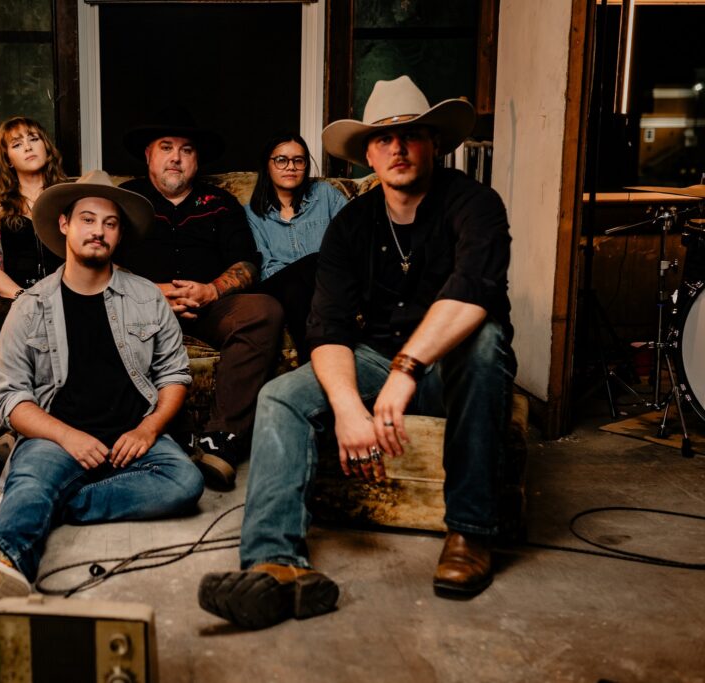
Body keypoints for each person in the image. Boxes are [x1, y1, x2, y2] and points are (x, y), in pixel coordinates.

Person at [198, 75, 517, 629]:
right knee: (281, 396)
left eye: (412, 135)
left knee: (486, 343)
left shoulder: (475, 203)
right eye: (383, 138)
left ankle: (470, 533)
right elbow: (328, 328)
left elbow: (475, 295)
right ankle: (275, 564)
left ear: (435, 143)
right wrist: (348, 408)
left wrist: (406, 371)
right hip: (377, 357)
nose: (397, 148)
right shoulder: (352, 224)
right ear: (368, 152)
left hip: (453, 363)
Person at [0, 171, 204, 599]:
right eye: (88, 219)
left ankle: (45, 507)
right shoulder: (30, 307)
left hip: (131, 433)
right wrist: (68, 436)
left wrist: (148, 428)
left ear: (119, 234)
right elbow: (10, 400)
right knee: (31, 478)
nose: (98, 232)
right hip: (56, 436)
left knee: (185, 483)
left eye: (110, 223)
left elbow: (174, 374)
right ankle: (5, 556)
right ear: (65, 225)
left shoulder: (146, 297)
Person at [117, 105, 284, 490]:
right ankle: (166, 434)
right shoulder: (125, 197)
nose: (176, 157)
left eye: (187, 149)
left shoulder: (220, 202)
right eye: (166, 147)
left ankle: (220, 439)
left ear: (197, 159)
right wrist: (153, 292)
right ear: (149, 155)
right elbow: (100, 262)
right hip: (139, 305)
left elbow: (247, 263)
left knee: (264, 309)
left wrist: (212, 289)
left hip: (208, 305)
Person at [0, 116, 66, 483]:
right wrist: (27, 300)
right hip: (3, 296)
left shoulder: (69, 195)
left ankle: (19, 436)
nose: (29, 147)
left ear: (47, 146)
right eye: (17, 144)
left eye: (34, 138)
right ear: (6, 157)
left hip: (61, 294)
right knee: (13, 318)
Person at [245, 132, 347, 361]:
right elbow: (265, 268)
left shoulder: (326, 195)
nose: (290, 167)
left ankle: (310, 364)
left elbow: (354, 239)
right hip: (277, 289)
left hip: (326, 284)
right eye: (281, 160)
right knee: (307, 269)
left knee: (310, 273)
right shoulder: (251, 214)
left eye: (298, 160)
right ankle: (319, 362)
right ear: (267, 164)